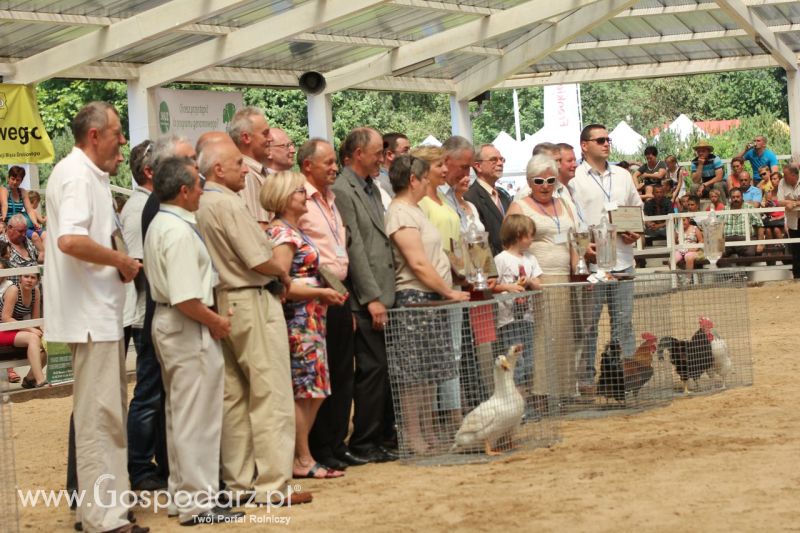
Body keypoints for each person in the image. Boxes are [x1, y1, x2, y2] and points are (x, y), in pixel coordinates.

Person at [44, 101, 145, 533]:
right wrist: (119, 261)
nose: (122, 139)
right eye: (118, 131)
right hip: (90, 313)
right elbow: (70, 239)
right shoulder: (75, 175)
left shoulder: (88, 176)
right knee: (99, 418)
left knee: (106, 415)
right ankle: (103, 517)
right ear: (94, 136)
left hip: (99, 312)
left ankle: (108, 509)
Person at [195, 134, 309, 505]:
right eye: (238, 164)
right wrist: (283, 270)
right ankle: (272, 487)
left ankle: (240, 483)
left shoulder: (201, 202)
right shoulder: (227, 203)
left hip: (221, 300)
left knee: (235, 397)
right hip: (252, 298)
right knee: (270, 393)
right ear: (218, 169)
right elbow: (257, 257)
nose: (245, 169)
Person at [144, 156, 243, 526]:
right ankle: (198, 503)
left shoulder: (165, 223)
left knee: (181, 415)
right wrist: (216, 322)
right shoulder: (178, 230)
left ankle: (183, 495)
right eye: (199, 185)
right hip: (187, 323)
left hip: (174, 322)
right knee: (196, 417)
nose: (203, 190)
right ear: (184, 191)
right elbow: (187, 297)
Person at [263, 170, 348, 479]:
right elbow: (283, 284)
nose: (305, 196)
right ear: (286, 198)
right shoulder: (283, 234)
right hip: (298, 320)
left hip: (311, 317)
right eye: (299, 192)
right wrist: (320, 291)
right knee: (305, 389)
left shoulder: (291, 230)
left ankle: (302, 455)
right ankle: (302, 457)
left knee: (317, 388)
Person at [127, 135, 197, 494]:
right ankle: (141, 468)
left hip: (156, 310)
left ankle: (161, 465)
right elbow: (142, 267)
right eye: (188, 158)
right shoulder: (153, 206)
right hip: (152, 312)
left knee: (159, 394)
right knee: (150, 393)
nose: (194, 164)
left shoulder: (159, 204)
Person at [385, 155, 468, 454]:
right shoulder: (400, 213)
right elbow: (418, 263)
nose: (430, 180)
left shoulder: (415, 210)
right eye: (424, 176)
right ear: (413, 180)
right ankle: (413, 433)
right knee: (413, 373)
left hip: (431, 299)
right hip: (415, 299)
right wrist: (448, 291)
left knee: (430, 370)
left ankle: (428, 429)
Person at [330, 127, 398, 465]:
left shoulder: (370, 187)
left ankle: (376, 436)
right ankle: (363, 440)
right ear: (358, 153)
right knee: (371, 370)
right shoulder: (343, 189)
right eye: (376, 152)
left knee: (380, 370)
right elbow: (353, 249)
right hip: (364, 297)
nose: (382, 158)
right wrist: (370, 296)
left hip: (383, 290)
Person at [570, 124, 642, 396]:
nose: (606, 143)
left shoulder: (623, 175)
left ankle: (628, 374)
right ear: (584, 145)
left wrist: (636, 228)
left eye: (608, 139)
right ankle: (586, 379)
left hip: (623, 259)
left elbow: (636, 208)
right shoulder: (574, 179)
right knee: (589, 325)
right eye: (600, 140)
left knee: (623, 321)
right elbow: (574, 218)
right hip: (593, 263)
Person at [297, 139, 355, 472]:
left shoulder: (332, 199)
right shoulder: (300, 199)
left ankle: (336, 442)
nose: (334, 168)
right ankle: (320, 446)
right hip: (316, 294)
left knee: (344, 370)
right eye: (328, 162)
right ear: (308, 166)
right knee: (324, 373)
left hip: (340, 290)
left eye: (335, 162)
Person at [507, 154, 579, 398]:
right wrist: (525, 277)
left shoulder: (564, 204)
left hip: (564, 280)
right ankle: (539, 393)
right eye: (539, 181)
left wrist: (579, 270)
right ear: (529, 181)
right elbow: (509, 244)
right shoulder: (520, 206)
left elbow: (573, 241)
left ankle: (563, 391)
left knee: (562, 337)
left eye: (550, 180)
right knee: (541, 338)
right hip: (538, 281)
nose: (546, 186)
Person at [493, 214, 543, 392]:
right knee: (515, 361)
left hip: (527, 318)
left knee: (528, 361)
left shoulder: (531, 259)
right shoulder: (501, 259)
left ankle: (525, 403)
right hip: (508, 320)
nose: (532, 239)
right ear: (518, 234)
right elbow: (492, 285)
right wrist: (509, 286)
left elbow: (538, 284)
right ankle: (515, 404)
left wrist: (529, 282)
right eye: (529, 235)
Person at [228, 106, 273, 229]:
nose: (271, 138)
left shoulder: (258, 172)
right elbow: (260, 230)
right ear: (246, 138)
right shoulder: (247, 176)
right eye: (265, 133)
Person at [0, 273, 47, 388]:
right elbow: (5, 318)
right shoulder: (14, 290)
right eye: (26, 276)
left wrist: (43, 329)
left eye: (33, 277)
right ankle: (41, 380)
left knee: (49, 340)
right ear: (20, 278)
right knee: (33, 338)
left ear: (37, 280)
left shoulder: (35, 291)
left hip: (17, 329)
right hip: (3, 328)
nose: (29, 280)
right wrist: (30, 329)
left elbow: (35, 320)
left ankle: (30, 378)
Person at [464, 143, 511, 255]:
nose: (500, 163)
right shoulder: (470, 197)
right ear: (478, 166)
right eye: (493, 160)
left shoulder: (504, 196)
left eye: (501, 159)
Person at [723, 188, 765, 257]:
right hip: (727, 240)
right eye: (733, 197)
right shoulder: (725, 209)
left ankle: (740, 266)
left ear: (742, 197)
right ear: (730, 198)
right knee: (718, 255)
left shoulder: (749, 208)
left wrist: (760, 243)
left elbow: (759, 225)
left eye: (738, 197)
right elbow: (717, 225)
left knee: (749, 253)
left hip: (746, 239)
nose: (736, 199)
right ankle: (728, 267)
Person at [2, 165, 46, 233]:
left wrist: (35, 223)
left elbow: (30, 211)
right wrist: (3, 219)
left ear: (21, 181)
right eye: (13, 179)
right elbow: (4, 205)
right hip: (7, 224)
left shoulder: (22, 192)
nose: (15, 182)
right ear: (8, 178)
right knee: (34, 236)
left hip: (18, 224)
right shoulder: (4, 190)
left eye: (18, 180)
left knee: (44, 234)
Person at [777, 163, 800, 278]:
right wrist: (791, 203)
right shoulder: (782, 182)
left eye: (785, 175)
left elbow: (786, 202)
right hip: (792, 221)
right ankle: (797, 276)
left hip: (795, 216)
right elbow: (779, 201)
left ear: (793, 175)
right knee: (795, 249)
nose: (783, 177)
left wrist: (794, 203)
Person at [377, 132, 410, 198]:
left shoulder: (401, 178)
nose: (410, 155)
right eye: (405, 151)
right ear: (390, 155)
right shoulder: (381, 183)